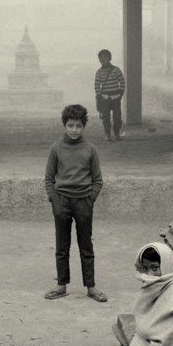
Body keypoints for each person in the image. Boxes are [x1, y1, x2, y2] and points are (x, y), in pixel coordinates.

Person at [43, 104, 106, 303]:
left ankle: (91, 287)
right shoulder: (56, 148)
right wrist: (54, 199)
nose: (74, 130)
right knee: (62, 245)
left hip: (83, 202)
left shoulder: (90, 149)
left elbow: (98, 179)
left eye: (78, 126)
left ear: (84, 126)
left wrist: (90, 198)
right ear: (64, 125)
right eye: (70, 125)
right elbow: (49, 178)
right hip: (61, 201)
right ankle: (61, 285)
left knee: (86, 245)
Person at [94, 49, 125, 142]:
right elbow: (96, 85)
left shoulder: (116, 70)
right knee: (106, 118)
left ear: (110, 58)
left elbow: (122, 82)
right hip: (104, 98)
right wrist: (99, 95)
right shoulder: (99, 72)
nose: (103, 59)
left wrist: (120, 94)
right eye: (101, 58)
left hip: (116, 98)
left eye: (105, 57)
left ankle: (116, 134)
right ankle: (108, 135)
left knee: (117, 117)